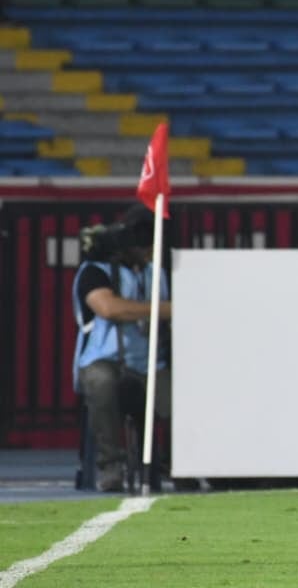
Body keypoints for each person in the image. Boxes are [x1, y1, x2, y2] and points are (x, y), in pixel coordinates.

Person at [71, 204, 171, 492]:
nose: (149, 250)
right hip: (105, 359)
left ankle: (177, 464)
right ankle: (109, 466)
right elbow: (109, 308)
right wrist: (164, 309)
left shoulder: (156, 273)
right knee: (101, 383)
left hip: (151, 363)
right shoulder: (94, 272)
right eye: (144, 245)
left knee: (182, 392)